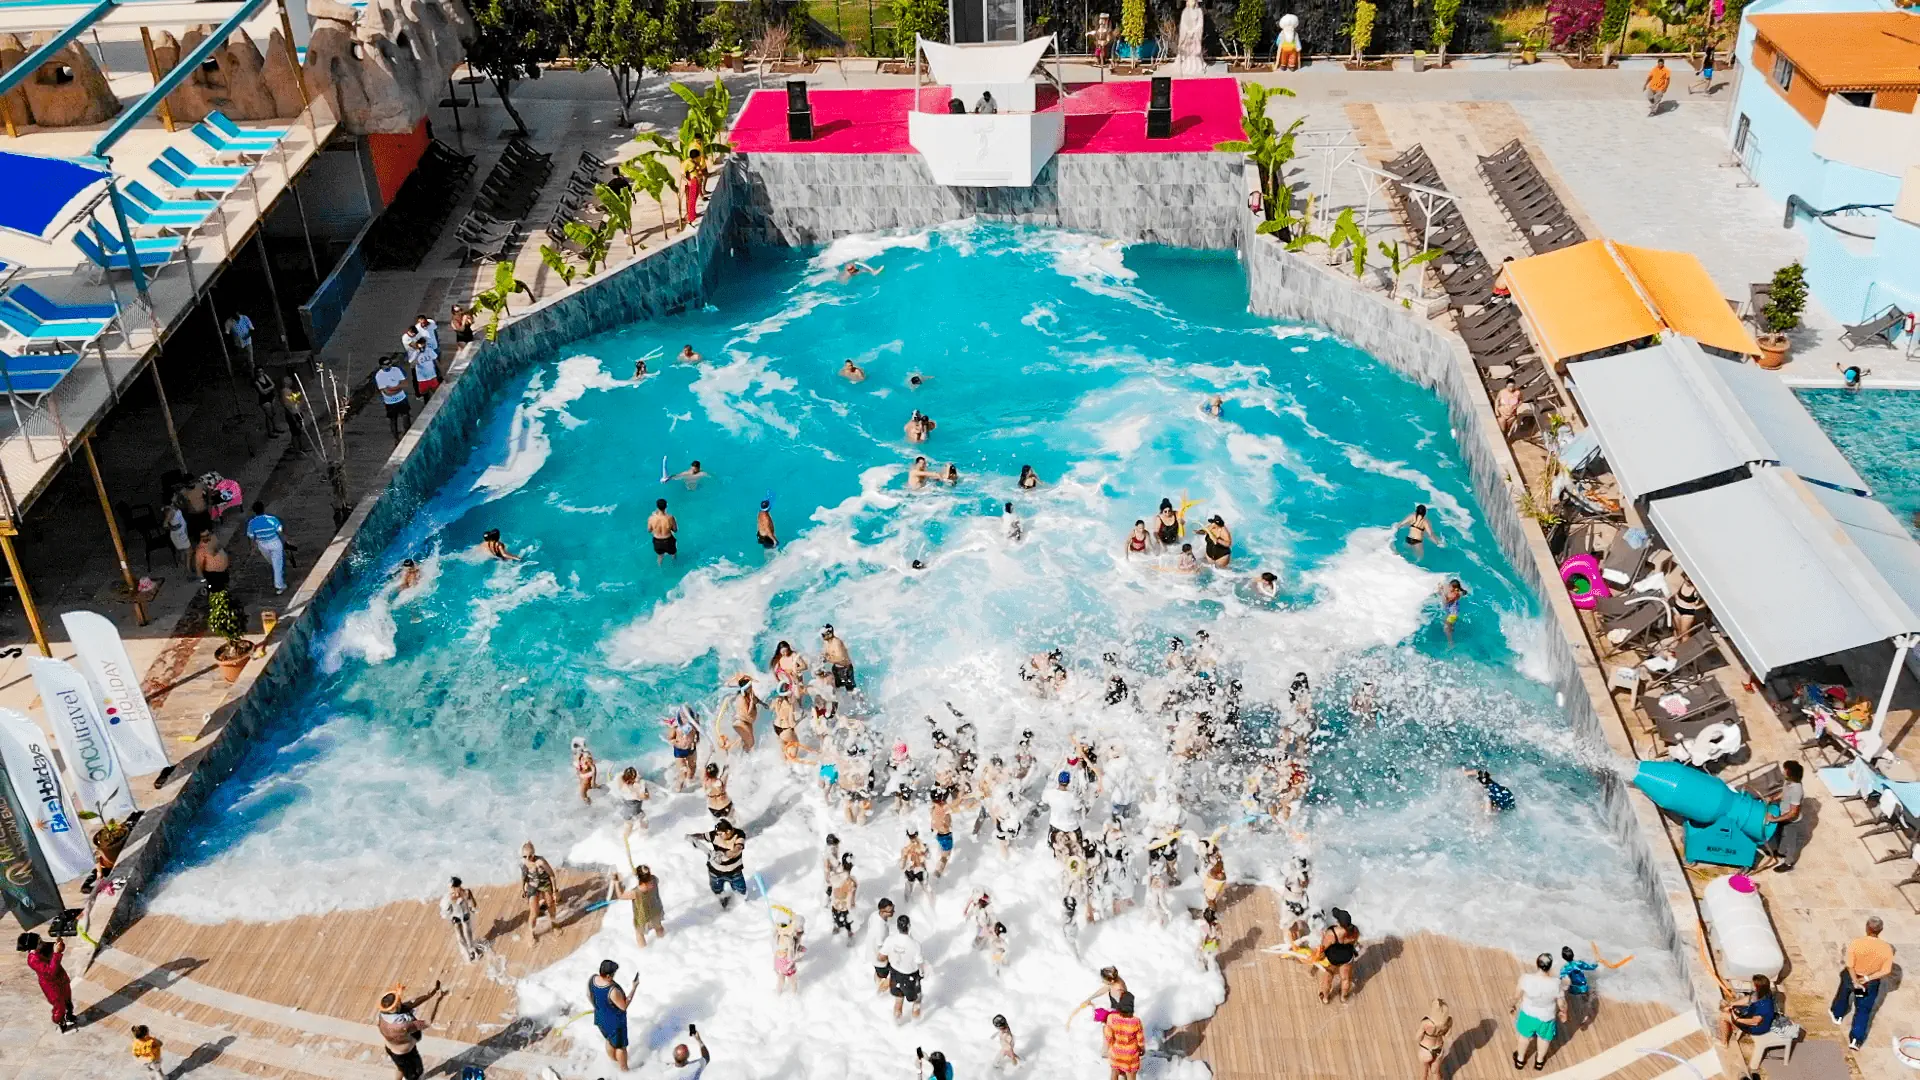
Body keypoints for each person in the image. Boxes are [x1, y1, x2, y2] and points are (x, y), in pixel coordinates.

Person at [1832, 915, 1895, 1050]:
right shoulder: (1886, 949)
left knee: (1843, 995)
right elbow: (1886, 970)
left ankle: (1837, 1015)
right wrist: (1867, 978)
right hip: (1869, 983)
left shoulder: (1857, 943)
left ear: (1867, 928)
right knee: (1863, 1009)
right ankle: (1855, 1039)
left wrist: (1855, 981)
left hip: (1852, 978)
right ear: (1881, 930)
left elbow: (1850, 965)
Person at [377, 982, 442, 1080]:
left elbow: (411, 1004)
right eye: (398, 1001)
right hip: (404, 1054)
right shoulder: (401, 1025)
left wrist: (430, 995)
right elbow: (428, 1022)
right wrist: (437, 1001)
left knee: (401, 1068)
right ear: (395, 1006)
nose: (401, 1001)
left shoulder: (385, 1013)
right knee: (415, 1074)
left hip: (393, 1049)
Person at [1512, 953, 1565, 1070]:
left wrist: (1512, 1005)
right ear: (1550, 966)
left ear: (1537, 964)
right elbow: (1561, 1003)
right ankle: (1539, 1062)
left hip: (1527, 1014)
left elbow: (1516, 996)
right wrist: (1563, 1012)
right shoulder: (1556, 983)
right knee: (1544, 1039)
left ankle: (1520, 1060)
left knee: (1524, 1037)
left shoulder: (1526, 978)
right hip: (1546, 1017)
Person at [589, 959, 638, 1071]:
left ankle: (613, 1061)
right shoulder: (612, 991)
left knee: (609, 1039)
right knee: (621, 1047)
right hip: (615, 1024)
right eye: (613, 973)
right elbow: (623, 1006)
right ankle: (624, 1070)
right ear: (608, 976)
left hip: (601, 1019)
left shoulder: (593, 979)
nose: (614, 975)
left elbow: (589, 995)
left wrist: (598, 1007)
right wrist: (634, 988)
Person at [20, 933, 74, 1031]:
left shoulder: (43, 947)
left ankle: (69, 1015)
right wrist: (57, 953)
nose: (43, 943)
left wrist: (59, 944)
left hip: (61, 980)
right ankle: (60, 1020)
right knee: (59, 1006)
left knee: (68, 1000)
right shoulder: (33, 960)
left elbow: (57, 948)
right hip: (52, 987)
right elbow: (50, 972)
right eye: (39, 942)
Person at [1761, 760, 1806, 872]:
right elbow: (1784, 792)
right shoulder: (1788, 782)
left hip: (1792, 822)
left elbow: (1793, 812)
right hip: (1783, 815)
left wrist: (1774, 819)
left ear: (1790, 774)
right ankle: (1781, 852)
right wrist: (1772, 798)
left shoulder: (1797, 790)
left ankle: (1788, 864)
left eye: (1785, 770)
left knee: (1791, 843)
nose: (1783, 772)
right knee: (1782, 836)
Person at [881, 914, 925, 1022]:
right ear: (909, 926)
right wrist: (922, 973)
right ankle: (917, 1022)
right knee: (917, 999)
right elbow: (919, 962)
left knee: (898, 1001)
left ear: (897, 926)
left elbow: (881, 956)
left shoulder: (890, 940)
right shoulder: (915, 945)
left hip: (895, 974)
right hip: (910, 976)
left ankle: (897, 1023)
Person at [697, 819, 748, 909]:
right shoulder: (715, 834)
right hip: (715, 872)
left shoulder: (739, 834)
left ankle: (739, 909)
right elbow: (702, 836)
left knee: (741, 893)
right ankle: (723, 905)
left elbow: (738, 848)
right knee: (717, 891)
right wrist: (691, 837)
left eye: (720, 834)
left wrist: (726, 854)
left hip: (734, 872)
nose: (718, 836)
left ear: (728, 831)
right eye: (717, 834)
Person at [1315, 908, 1360, 1003]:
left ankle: (1325, 997)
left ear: (1338, 922)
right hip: (1347, 957)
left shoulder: (1332, 933)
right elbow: (1354, 942)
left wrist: (1318, 955)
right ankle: (1343, 996)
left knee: (1328, 976)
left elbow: (1323, 947)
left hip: (1333, 958)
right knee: (1345, 978)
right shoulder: (1355, 930)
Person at [1718, 972, 1775, 1045]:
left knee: (1723, 1016)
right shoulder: (1764, 992)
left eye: (1752, 983)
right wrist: (1731, 1005)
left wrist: (1737, 1019)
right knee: (1730, 1009)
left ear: (1757, 987)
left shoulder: (1764, 1006)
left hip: (1756, 1028)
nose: (1751, 984)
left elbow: (1755, 1022)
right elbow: (1748, 998)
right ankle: (1734, 1026)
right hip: (1752, 1012)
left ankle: (1724, 1043)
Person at [519, 842, 560, 939]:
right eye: (525, 856)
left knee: (550, 905)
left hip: (544, 884)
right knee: (534, 912)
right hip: (532, 886)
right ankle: (531, 932)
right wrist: (523, 889)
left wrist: (555, 891)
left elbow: (551, 875)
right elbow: (523, 877)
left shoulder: (541, 862)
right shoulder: (524, 863)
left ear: (534, 854)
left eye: (530, 856)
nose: (528, 858)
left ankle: (554, 924)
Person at [246, 501, 288, 594]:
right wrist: (285, 541)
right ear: (263, 508)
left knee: (273, 562)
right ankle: (279, 586)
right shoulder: (272, 519)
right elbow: (280, 532)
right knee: (277, 564)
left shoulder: (251, 523)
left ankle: (279, 574)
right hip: (275, 543)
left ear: (254, 511)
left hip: (262, 545)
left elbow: (251, 537)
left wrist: (252, 548)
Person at [1103, 992, 1146, 1080]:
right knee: (1130, 1074)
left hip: (1116, 1052)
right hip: (1130, 1055)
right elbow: (1140, 1039)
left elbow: (1108, 1037)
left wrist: (1111, 1046)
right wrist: (1142, 1049)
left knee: (1114, 1071)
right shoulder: (1136, 1021)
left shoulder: (1111, 1018)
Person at [440, 876, 479, 961]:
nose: (451, 889)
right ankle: (467, 953)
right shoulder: (450, 897)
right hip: (455, 917)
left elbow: (473, 903)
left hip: (465, 916)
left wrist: (472, 907)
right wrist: (446, 911)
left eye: (452, 887)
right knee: (460, 937)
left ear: (457, 886)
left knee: (468, 935)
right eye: (451, 888)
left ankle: (471, 949)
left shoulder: (466, 892)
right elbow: (447, 910)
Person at [376, 355, 412, 441]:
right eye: (387, 364)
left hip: (401, 398)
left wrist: (392, 388)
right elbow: (387, 393)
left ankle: (407, 434)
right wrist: (399, 387)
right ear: (381, 366)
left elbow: (405, 384)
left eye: (390, 363)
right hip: (390, 402)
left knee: (406, 416)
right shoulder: (379, 376)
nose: (389, 365)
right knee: (393, 420)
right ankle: (396, 439)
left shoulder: (396, 370)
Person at [1416, 999, 1452, 1080]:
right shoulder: (1448, 1022)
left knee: (1423, 1074)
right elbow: (1447, 1035)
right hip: (1439, 1050)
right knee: (1435, 1072)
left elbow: (1417, 1037)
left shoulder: (1426, 1023)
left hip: (1425, 1050)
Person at [613, 766, 651, 837]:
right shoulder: (635, 789)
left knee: (628, 825)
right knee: (644, 821)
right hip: (635, 812)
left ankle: (625, 838)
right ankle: (643, 836)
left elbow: (621, 776)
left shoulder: (621, 783)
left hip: (626, 810)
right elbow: (646, 797)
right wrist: (644, 788)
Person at [1671, 573, 1706, 642]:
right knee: (1676, 629)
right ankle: (1677, 644)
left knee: (1684, 633)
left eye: (1689, 581)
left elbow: (1706, 603)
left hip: (1687, 612)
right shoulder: (1683, 583)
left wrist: (1697, 607)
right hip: (1677, 608)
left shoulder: (1696, 590)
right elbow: (1676, 592)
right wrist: (1675, 597)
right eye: (1685, 578)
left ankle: (1684, 646)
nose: (1687, 581)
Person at [822, 624, 856, 689]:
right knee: (838, 689)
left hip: (845, 669)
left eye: (823, 635)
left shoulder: (837, 642)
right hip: (836, 669)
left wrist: (827, 659)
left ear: (830, 634)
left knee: (850, 691)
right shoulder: (826, 642)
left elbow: (841, 658)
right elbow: (824, 653)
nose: (822, 636)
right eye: (822, 634)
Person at [280, 374, 308, 452]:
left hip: (296, 413)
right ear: (286, 382)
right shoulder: (285, 392)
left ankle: (300, 448)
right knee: (295, 433)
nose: (291, 382)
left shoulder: (289, 391)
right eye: (289, 380)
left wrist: (300, 396)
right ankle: (297, 450)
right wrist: (294, 419)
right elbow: (288, 406)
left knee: (298, 432)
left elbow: (294, 401)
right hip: (293, 415)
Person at [252, 363, 281, 437]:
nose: (260, 373)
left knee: (273, 414)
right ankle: (270, 433)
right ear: (256, 373)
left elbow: (273, 385)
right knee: (268, 416)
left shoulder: (265, 376)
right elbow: (262, 392)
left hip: (271, 397)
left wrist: (266, 389)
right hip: (264, 400)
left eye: (261, 371)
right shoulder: (256, 382)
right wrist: (270, 388)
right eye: (258, 372)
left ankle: (275, 428)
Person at [649, 498, 679, 564]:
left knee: (660, 556)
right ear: (666, 506)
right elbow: (675, 530)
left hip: (657, 541)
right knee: (673, 553)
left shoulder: (651, 518)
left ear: (657, 507)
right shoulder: (670, 517)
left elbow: (649, 530)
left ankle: (659, 567)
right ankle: (675, 564)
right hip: (668, 540)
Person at [1439, 578, 1466, 645]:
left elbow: (1446, 601)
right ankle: (1451, 627)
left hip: (1453, 614)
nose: (1449, 587)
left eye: (1450, 586)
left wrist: (1442, 593)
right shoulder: (1453, 591)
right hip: (1451, 611)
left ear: (1454, 588)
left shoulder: (1454, 595)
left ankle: (1450, 642)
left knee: (1446, 628)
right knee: (1446, 623)